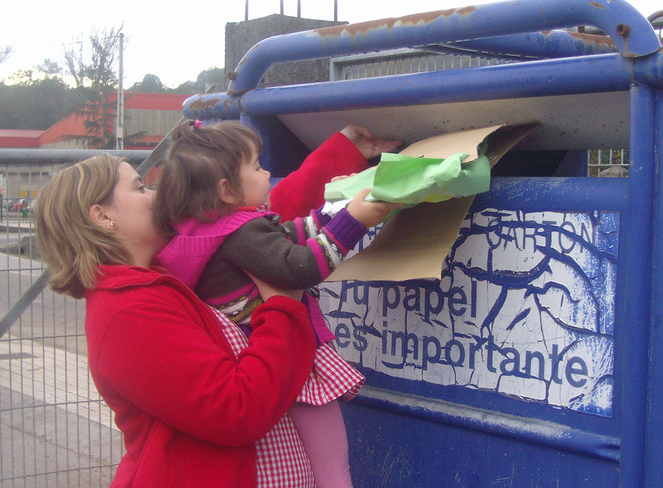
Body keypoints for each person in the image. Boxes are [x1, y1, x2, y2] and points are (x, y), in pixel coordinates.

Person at [33, 123, 400, 487]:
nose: (156, 194)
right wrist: (283, 308)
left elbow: (255, 225)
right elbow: (236, 411)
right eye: (140, 187)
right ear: (102, 217)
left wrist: (342, 152)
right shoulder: (129, 314)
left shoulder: (164, 272)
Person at [154, 119, 401, 488]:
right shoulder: (241, 233)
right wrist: (355, 222)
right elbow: (298, 268)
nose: (267, 171)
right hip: (293, 366)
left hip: (264, 369)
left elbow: (288, 234)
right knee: (333, 470)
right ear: (226, 190)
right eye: (255, 166)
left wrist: (341, 209)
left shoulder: (211, 233)